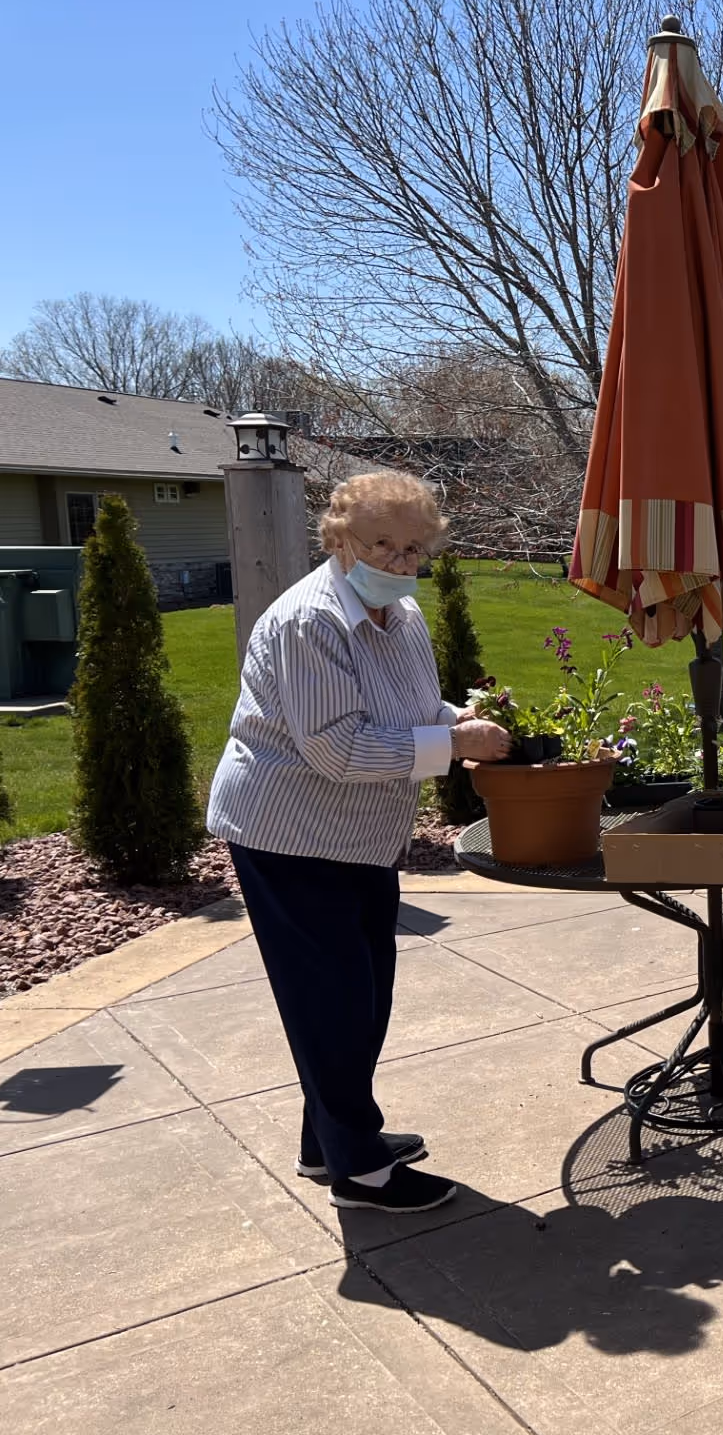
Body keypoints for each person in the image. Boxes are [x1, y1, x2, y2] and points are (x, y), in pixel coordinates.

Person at [207, 472, 511, 1213]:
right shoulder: (308, 621)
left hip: (359, 839)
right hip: (290, 835)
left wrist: (464, 717)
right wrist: (450, 744)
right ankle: (360, 1173)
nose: (402, 562)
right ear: (340, 538)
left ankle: (330, 1143)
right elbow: (338, 751)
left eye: (414, 548)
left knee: (359, 994)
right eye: (384, 544)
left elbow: (409, 709)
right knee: (334, 1003)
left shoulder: (398, 613)